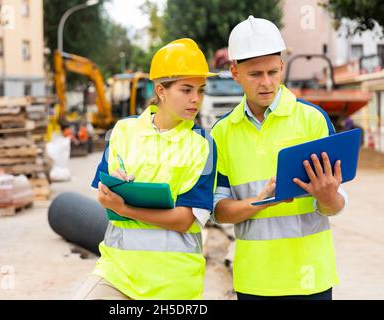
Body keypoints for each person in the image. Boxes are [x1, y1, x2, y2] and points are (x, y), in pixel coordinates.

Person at [211, 16, 348, 300]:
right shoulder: (222, 132)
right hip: (254, 282)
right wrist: (262, 201)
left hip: (311, 279)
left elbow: (335, 205)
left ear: (283, 66)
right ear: (235, 72)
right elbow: (218, 211)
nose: (266, 83)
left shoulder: (313, 120)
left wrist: (327, 197)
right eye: (255, 74)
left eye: (273, 71)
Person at [78, 38, 217, 300]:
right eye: (186, 90)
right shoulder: (122, 131)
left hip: (174, 283)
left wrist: (126, 209)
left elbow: (184, 219)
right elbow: (103, 196)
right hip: (117, 273)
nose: (195, 99)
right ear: (161, 91)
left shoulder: (203, 145)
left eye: (201, 90)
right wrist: (113, 189)